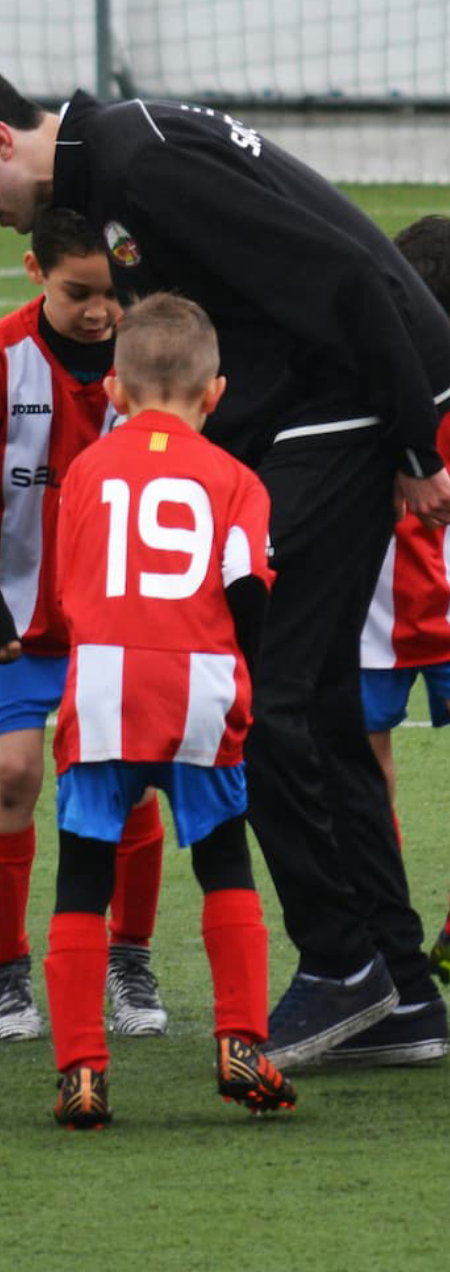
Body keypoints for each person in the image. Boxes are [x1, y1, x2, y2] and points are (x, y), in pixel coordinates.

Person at [0, 58, 450, 1068]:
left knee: (253, 695)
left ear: (0, 143)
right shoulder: (120, 168)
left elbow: (355, 274)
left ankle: (341, 964)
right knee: (314, 703)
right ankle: (401, 993)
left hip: (353, 411)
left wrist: (417, 442)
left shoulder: (142, 165)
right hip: (325, 414)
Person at [46, 292, 295, 1127]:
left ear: (113, 394)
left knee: (84, 873)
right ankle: (241, 1043)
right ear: (215, 394)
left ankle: (81, 1068)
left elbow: (69, 588)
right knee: (224, 859)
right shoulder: (236, 478)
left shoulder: (86, 470)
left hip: (106, 683)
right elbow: (247, 591)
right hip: (198, 686)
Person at [0, 206, 167, 1041]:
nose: (101, 311)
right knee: (11, 775)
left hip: (117, 618)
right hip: (17, 618)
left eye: (112, 293)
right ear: (36, 274)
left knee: (128, 781)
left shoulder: (147, 363)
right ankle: (6, 979)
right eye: (79, 293)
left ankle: (130, 961)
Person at [355, 215, 450, 1054]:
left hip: (372, 618)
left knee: (364, 769)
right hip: (390, 618)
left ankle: (392, 945)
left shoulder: (368, 373)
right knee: (364, 766)